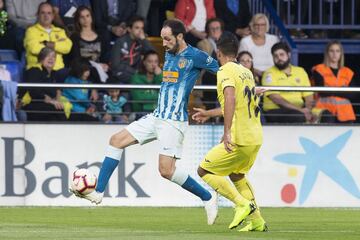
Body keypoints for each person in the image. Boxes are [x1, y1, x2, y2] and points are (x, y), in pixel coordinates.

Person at [70, 19, 219, 225]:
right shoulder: (169, 52)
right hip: (157, 116)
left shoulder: (196, 56)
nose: (163, 44)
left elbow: (222, 71)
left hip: (174, 121)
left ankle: (208, 197)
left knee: (166, 171)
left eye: (167, 39)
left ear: (180, 37)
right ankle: (98, 192)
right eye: (162, 39)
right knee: (116, 140)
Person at [192, 33, 267, 231]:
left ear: (218, 52)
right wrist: (209, 113)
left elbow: (230, 98)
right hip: (255, 136)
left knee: (203, 170)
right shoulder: (246, 72)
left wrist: (226, 132)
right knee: (237, 175)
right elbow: (235, 104)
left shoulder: (224, 70)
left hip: (239, 137)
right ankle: (257, 221)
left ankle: (241, 204)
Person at [261, 42, 316, 123]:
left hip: (299, 110)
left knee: (324, 114)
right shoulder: (269, 73)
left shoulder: (300, 71)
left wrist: (308, 110)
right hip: (275, 111)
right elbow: (276, 98)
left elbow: (308, 95)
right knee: (298, 116)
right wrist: (301, 110)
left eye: (281, 54)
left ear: (289, 55)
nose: (279, 58)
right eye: (275, 56)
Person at [311, 40, 356, 123]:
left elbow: (353, 94)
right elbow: (322, 92)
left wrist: (330, 89)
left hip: (345, 112)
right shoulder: (319, 69)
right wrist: (343, 90)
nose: (334, 54)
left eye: (337, 51)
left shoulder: (348, 72)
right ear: (327, 53)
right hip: (325, 110)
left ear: (341, 54)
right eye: (331, 51)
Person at [19, 47, 67, 121]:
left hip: (49, 107)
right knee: (56, 110)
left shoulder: (55, 73)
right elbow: (34, 91)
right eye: (48, 56)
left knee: (60, 110)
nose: (51, 59)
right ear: (41, 59)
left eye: (53, 56)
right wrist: (52, 101)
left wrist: (57, 101)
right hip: (32, 104)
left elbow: (58, 89)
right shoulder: (34, 70)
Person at [24, 2, 72, 71]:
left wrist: (45, 44)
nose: (46, 16)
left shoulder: (60, 31)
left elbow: (67, 47)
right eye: (43, 13)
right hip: (38, 69)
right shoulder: (31, 31)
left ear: (53, 16)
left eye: (49, 13)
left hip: (58, 69)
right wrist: (56, 46)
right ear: (38, 15)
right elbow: (34, 48)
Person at [69, 6, 110, 83]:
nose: (85, 19)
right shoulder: (75, 37)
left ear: (91, 17)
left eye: (88, 16)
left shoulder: (101, 36)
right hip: (82, 71)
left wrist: (105, 64)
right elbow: (76, 59)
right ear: (78, 20)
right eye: (82, 17)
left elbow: (105, 55)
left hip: (100, 70)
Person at [110, 15, 154, 84]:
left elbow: (153, 55)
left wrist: (144, 40)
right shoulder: (120, 42)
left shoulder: (141, 42)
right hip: (121, 74)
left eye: (142, 28)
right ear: (129, 29)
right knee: (139, 80)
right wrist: (134, 72)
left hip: (136, 74)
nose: (140, 31)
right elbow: (115, 65)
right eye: (137, 28)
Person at [239, 14, 279, 79]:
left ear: (266, 26)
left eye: (262, 25)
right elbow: (242, 62)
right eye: (256, 25)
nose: (259, 27)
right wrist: (256, 72)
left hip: (273, 75)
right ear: (252, 26)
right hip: (252, 75)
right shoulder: (245, 41)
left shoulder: (273, 39)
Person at [130, 50, 162, 118]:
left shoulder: (161, 76)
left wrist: (159, 76)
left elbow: (165, 95)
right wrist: (156, 96)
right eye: (150, 61)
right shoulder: (136, 77)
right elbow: (139, 98)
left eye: (156, 61)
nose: (153, 65)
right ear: (144, 62)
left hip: (159, 112)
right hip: (141, 112)